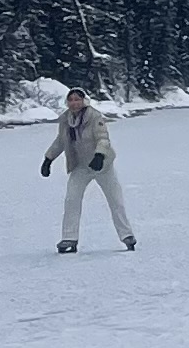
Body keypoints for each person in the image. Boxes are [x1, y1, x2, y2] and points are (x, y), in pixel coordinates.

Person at [40, 87, 135, 254]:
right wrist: (48, 159)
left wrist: (99, 156)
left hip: (102, 165)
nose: (74, 103)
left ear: (84, 101)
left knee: (115, 200)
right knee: (71, 199)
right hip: (80, 166)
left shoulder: (95, 117)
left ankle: (127, 235)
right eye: (71, 100)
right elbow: (61, 142)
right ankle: (69, 238)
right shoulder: (65, 120)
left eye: (77, 99)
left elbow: (103, 139)